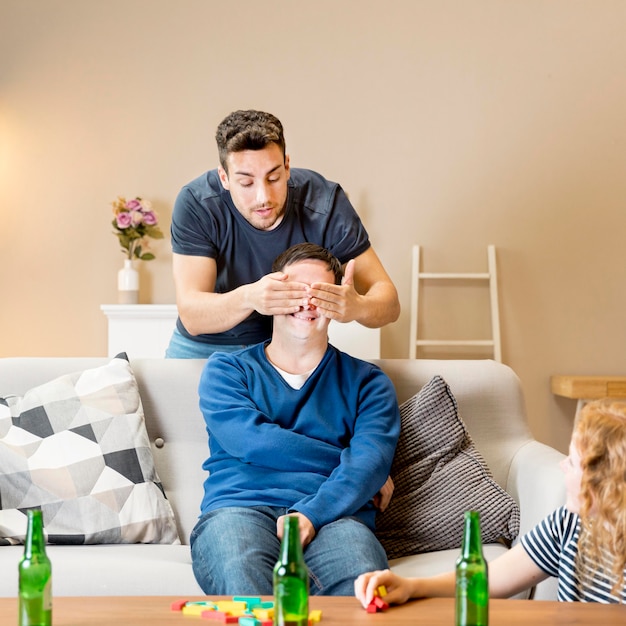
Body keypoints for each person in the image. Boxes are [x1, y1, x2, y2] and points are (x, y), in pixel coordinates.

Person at [190, 243, 401, 595]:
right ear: (272, 296)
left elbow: (372, 456)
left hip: (337, 516)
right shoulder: (226, 371)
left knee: (360, 581)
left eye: (321, 292)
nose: (307, 302)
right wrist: (362, 469)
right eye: (294, 290)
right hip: (240, 509)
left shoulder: (369, 382)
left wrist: (317, 512)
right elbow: (254, 440)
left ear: (337, 304)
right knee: (241, 575)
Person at [166, 109, 400, 358]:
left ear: (287, 166)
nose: (263, 197)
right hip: (204, 347)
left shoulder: (324, 203)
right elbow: (192, 314)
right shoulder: (198, 203)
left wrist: (357, 307)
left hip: (291, 346)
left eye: (274, 178)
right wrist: (250, 298)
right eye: (246, 183)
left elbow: (390, 304)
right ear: (224, 178)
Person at [355, 399, 626, 606]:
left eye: (573, 462)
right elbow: (489, 579)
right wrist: (411, 587)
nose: (562, 466)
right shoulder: (569, 524)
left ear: (605, 483)